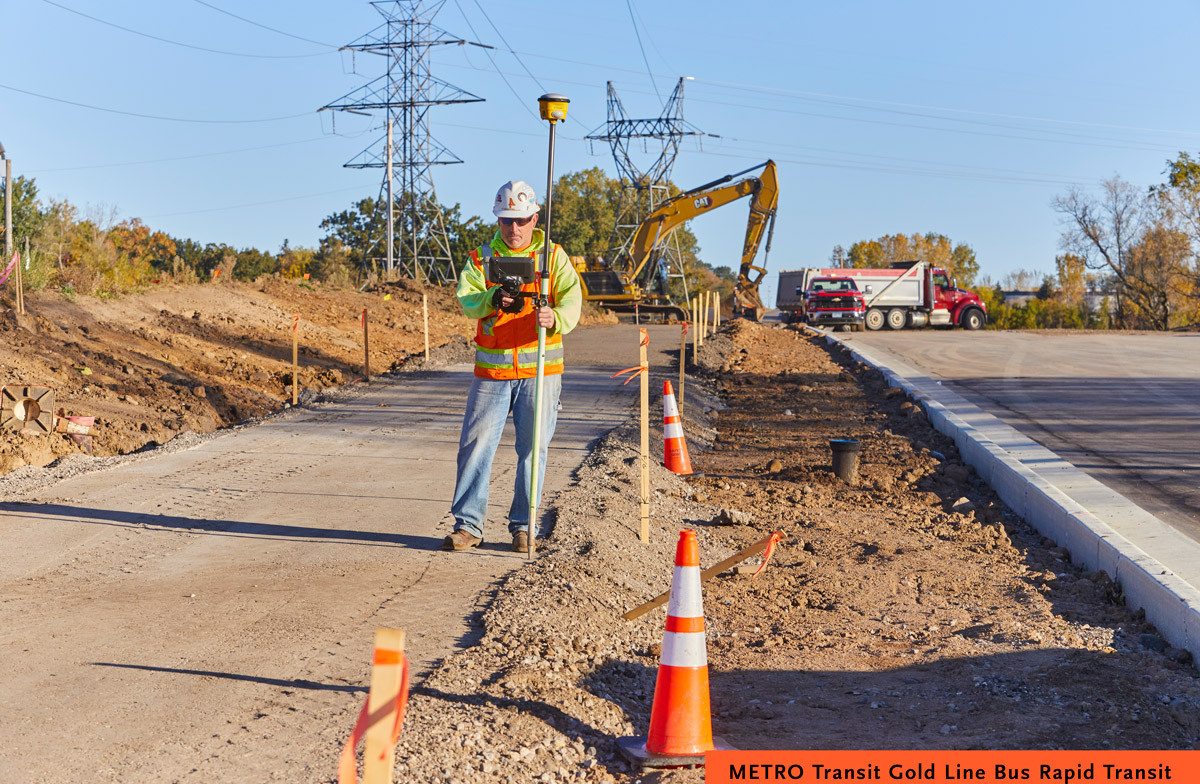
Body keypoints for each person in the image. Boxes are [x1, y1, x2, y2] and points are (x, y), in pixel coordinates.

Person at [443, 180, 583, 553]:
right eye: (507, 220)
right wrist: (492, 297)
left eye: (521, 220)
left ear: (535, 219)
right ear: (498, 220)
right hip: (493, 372)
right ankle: (468, 526)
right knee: (475, 446)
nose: (514, 228)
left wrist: (556, 317)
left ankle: (524, 526)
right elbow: (468, 299)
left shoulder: (554, 257)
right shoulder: (481, 258)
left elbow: (572, 299)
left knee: (533, 450)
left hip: (541, 371)